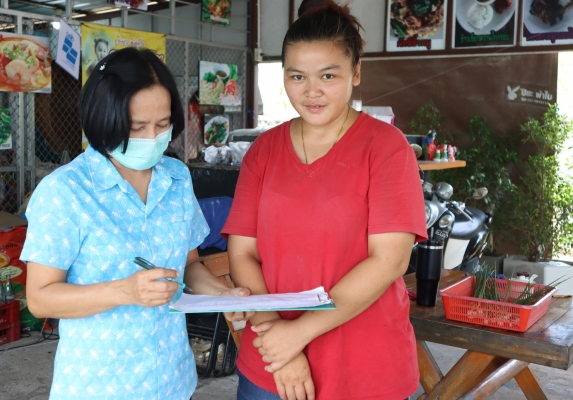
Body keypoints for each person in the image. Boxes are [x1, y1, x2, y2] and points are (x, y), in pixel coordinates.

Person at [221, 1, 428, 399]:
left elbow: (389, 260)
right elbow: (242, 253)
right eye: (297, 76)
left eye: (328, 75)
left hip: (365, 370)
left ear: (356, 72)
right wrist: (279, 342)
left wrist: (297, 333)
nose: (311, 91)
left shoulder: (386, 148)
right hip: (271, 367)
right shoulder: (263, 151)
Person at [21, 47, 253, 400]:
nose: (151, 138)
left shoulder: (176, 178)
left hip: (172, 379)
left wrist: (223, 295)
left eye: (162, 125)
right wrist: (125, 292)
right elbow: (40, 298)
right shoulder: (65, 191)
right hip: (99, 386)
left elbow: (189, 266)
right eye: (136, 127)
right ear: (104, 120)